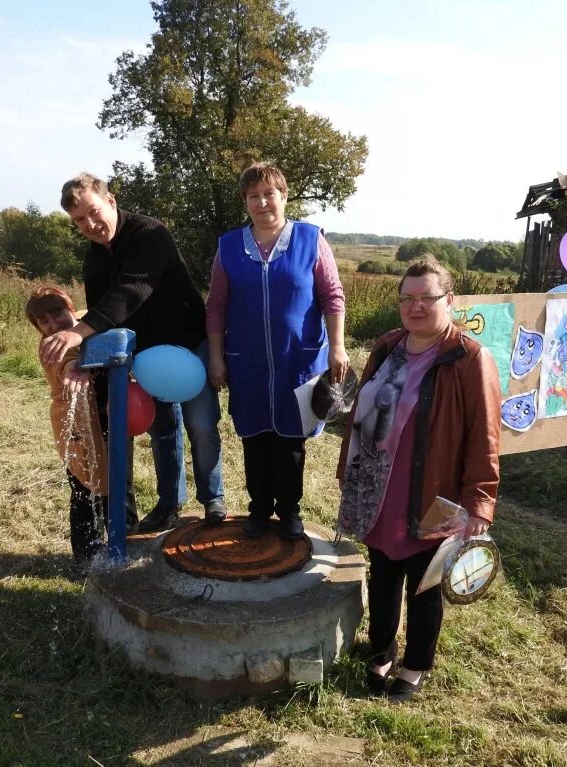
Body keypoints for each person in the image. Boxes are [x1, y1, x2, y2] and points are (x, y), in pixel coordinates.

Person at [336, 257, 501, 703]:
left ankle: (415, 665)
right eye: (407, 298)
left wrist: (480, 502)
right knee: (384, 570)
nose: (415, 307)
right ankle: (383, 648)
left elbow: (485, 436)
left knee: (424, 583)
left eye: (426, 298)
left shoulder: (468, 358)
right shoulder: (387, 346)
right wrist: (345, 471)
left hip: (434, 493)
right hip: (379, 487)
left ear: (449, 300)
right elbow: (359, 414)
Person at [41, 173, 226, 533]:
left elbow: (131, 290)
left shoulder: (150, 233)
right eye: (79, 220)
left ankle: (213, 500)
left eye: (94, 212)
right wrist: (83, 361)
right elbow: (103, 314)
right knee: (163, 431)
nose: (91, 224)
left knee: (201, 425)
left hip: (192, 346)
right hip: (148, 357)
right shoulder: (94, 259)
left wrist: (76, 334)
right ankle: (169, 504)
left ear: (110, 201)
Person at [206, 163, 348, 540]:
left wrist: (338, 346)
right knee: (254, 439)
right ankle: (258, 509)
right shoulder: (229, 247)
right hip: (247, 362)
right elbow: (217, 305)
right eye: (254, 196)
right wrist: (217, 357)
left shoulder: (309, 239)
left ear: (284, 197)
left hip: (298, 360)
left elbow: (332, 297)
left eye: (269, 194)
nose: (262, 202)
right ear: (246, 202)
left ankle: (288, 512)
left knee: (290, 442)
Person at [26, 286, 136, 573]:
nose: (53, 326)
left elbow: (107, 322)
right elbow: (65, 364)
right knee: (84, 488)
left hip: (113, 417)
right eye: (44, 322)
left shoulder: (90, 324)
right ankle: (86, 556)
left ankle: (127, 540)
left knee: (121, 480)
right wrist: (77, 365)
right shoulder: (50, 345)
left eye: (58, 314)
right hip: (77, 427)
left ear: (71, 309)